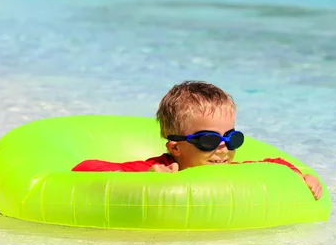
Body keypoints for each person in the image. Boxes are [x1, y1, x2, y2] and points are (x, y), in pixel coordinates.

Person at [72, 81, 323, 200]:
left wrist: (301, 175)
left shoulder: (230, 171)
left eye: (232, 137)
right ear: (176, 147)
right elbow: (83, 169)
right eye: (208, 140)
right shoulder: (162, 168)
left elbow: (274, 163)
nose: (223, 147)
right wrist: (144, 178)